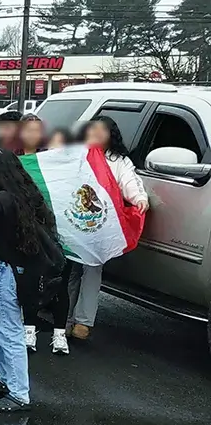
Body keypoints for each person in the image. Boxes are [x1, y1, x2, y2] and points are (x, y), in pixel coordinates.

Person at [0, 149, 57, 412]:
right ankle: (5, 380)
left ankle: (18, 393)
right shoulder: (26, 196)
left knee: (9, 331)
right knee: (2, 329)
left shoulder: (4, 198)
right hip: (13, 271)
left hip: (6, 272)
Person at [67, 116, 149, 340]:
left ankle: (83, 322)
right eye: (92, 129)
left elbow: (130, 182)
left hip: (100, 224)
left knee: (92, 269)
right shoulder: (74, 154)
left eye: (101, 130)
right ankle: (63, 319)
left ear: (111, 134)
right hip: (73, 220)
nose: (95, 133)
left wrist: (139, 198)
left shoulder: (119, 161)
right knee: (71, 270)